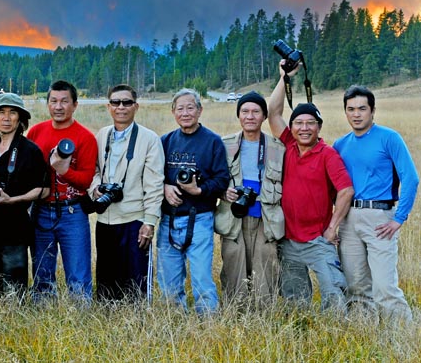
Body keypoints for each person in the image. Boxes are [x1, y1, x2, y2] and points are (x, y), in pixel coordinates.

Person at [267, 61, 354, 313]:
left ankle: (337, 336)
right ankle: (303, 336)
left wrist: (331, 229)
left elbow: (346, 191)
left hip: (318, 240)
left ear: (319, 127)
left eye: (310, 123)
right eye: (299, 123)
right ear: (292, 128)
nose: (304, 128)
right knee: (295, 302)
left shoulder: (328, 154)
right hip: (289, 240)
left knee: (334, 295)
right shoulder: (288, 145)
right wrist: (283, 77)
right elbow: (273, 113)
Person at [334, 85, 419, 323]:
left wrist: (398, 218)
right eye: (351, 109)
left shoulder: (389, 138)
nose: (356, 114)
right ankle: (365, 333)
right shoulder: (340, 144)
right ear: (345, 112)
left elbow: (410, 178)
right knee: (357, 285)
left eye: (362, 108)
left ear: (372, 111)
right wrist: (334, 223)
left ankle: (402, 338)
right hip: (348, 220)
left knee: (384, 287)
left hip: (380, 217)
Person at [89, 84, 165, 301]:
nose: (120, 107)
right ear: (108, 106)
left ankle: (139, 328)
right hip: (105, 219)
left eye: (126, 102)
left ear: (136, 106)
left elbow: (154, 185)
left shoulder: (149, 139)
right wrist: (96, 189)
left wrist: (149, 222)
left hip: (134, 220)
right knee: (106, 284)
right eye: (115, 102)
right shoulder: (102, 135)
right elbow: (93, 170)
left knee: (136, 285)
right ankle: (110, 327)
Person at [157, 88, 230, 314]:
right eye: (180, 108)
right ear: (173, 112)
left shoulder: (212, 142)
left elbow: (222, 180)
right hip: (168, 219)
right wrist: (164, 187)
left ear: (200, 111)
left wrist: (198, 190)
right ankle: (174, 321)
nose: (185, 113)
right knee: (168, 280)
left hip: (199, 218)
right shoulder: (165, 141)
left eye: (190, 107)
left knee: (201, 277)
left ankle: (208, 323)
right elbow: (152, 175)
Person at [28, 80, 97, 301]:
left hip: (72, 212)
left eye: (64, 101)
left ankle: (80, 319)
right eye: (54, 101)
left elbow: (86, 181)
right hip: (41, 210)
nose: (59, 107)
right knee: (41, 272)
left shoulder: (85, 137)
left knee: (78, 274)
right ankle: (42, 318)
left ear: (75, 105)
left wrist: (63, 170)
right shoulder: (36, 132)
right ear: (47, 104)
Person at [216, 91, 285, 309]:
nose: (250, 116)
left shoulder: (277, 147)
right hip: (233, 219)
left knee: (266, 272)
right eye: (245, 111)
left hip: (266, 219)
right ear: (238, 116)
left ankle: (264, 320)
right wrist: (222, 192)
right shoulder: (224, 145)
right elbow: (213, 179)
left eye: (256, 111)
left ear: (264, 116)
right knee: (234, 269)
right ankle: (235, 318)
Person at [0, 92, 48, 296]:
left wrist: (13, 200)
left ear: (20, 118)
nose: (6, 118)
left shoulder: (30, 150)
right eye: (1, 112)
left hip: (14, 226)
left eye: (12, 112)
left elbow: (44, 190)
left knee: (15, 289)